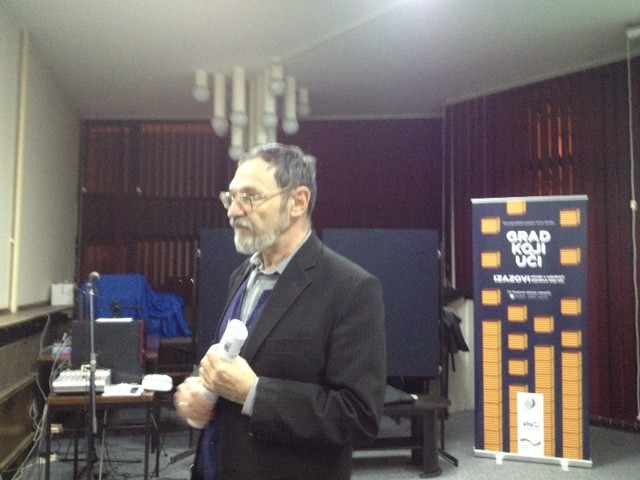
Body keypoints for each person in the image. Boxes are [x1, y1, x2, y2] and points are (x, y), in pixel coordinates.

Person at [174, 143, 386, 479]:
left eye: (250, 197)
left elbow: (358, 416)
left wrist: (254, 394)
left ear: (297, 202)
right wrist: (200, 386)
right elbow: (234, 360)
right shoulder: (241, 276)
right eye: (231, 198)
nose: (233, 212)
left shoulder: (351, 288)